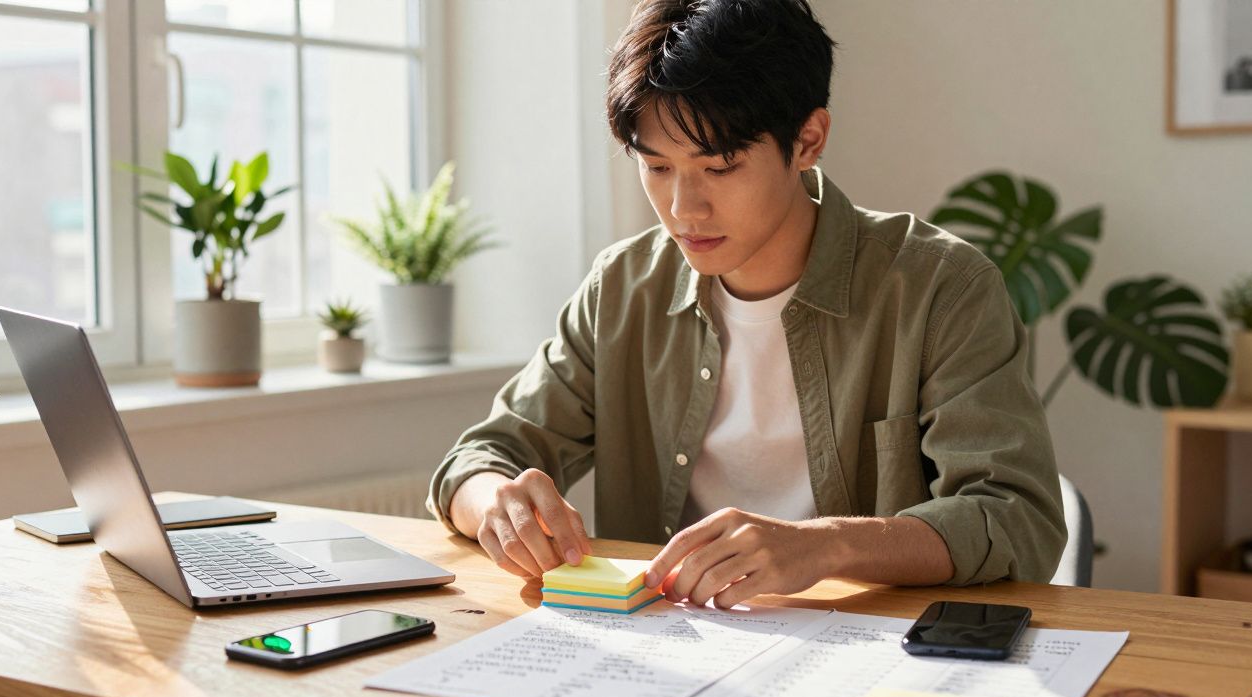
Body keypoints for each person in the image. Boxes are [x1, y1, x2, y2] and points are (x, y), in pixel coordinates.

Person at [426, 0, 1065, 608]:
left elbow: (1016, 516)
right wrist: (497, 505)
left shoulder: (938, 287)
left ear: (809, 140)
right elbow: (478, 461)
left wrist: (826, 545)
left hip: (877, 651)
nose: (684, 209)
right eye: (656, 167)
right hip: (665, 651)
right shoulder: (622, 288)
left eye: (721, 166)